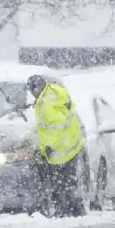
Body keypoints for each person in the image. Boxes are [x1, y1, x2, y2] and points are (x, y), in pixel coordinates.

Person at [25, 74, 87, 218]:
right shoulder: (49, 94)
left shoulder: (47, 104)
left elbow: (57, 127)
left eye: (31, 90)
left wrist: (49, 146)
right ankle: (73, 211)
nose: (31, 93)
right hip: (70, 143)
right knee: (68, 181)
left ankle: (64, 212)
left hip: (62, 148)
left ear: (37, 89)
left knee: (60, 183)